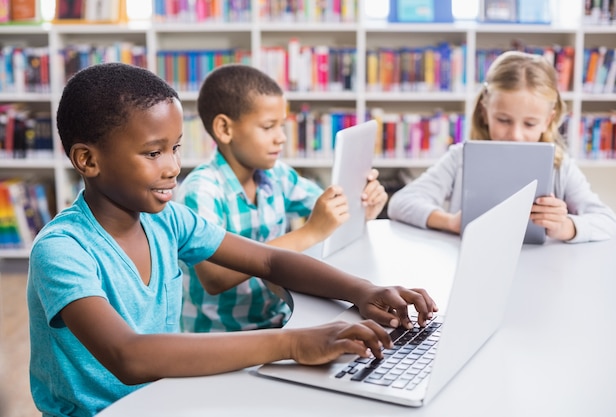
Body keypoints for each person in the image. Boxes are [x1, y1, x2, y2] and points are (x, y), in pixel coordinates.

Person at [26, 62, 437, 417]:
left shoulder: (169, 219)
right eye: (153, 153)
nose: (172, 167)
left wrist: (363, 290)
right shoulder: (62, 249)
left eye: (176, 148)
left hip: (165, 396)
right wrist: (292, 343)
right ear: (87, 159)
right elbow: (128, 356)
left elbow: (269, 262)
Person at [176, 64, 389, 332]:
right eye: (268, 127)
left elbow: (325, 208)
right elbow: (215, 278)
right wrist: (311, 232)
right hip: (220, 337)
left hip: (277, 321)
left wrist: (360, 206)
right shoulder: (201, 191)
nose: (282, 138)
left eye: (282, 126)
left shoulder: (277, 175)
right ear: (224, 129)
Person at [387, 50, 616, 243]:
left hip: (544, 271)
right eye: (503, 120)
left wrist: (565, 227)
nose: (515, 135)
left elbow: (610, 223)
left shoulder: (560, 167)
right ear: (484, 112)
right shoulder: (461, 158)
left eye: (530, 123)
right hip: (474, 264)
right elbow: (401, 203)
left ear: (548, 120)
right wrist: (451, 222)